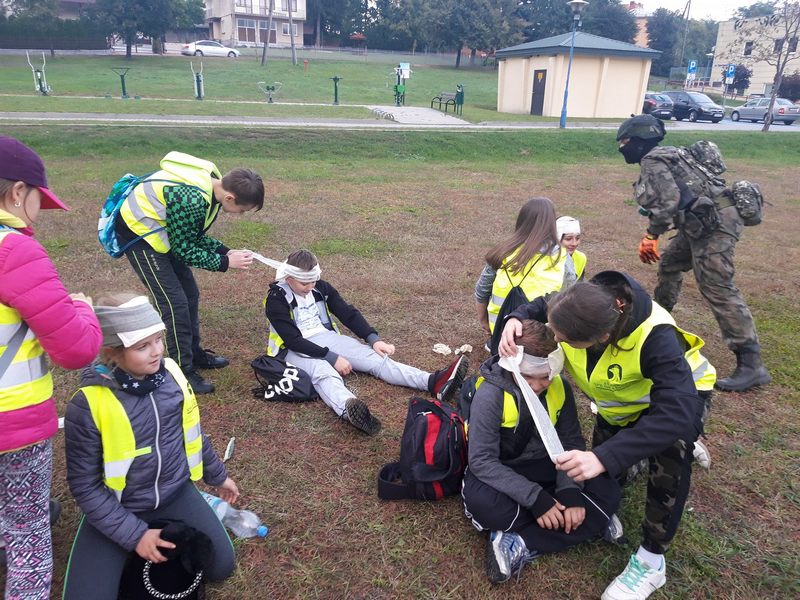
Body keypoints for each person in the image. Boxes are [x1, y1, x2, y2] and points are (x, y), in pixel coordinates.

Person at [500, 271, 716, 600]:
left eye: (563, 338)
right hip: (622, 407)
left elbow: (676, 413)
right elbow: (545, 304)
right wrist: (516, 317)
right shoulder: (581, 301)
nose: (555, 338)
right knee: (605, 480)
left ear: (601, 337)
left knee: (672, 448)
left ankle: (651, 561)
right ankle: (641, 450)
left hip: (680, 403)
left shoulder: (657, 338)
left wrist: (604, 455)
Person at [62, 294, 239, 600]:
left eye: (158, 339)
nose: (157, 351)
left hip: (174, 492)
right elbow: (84, 485)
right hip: (120, 505)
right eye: (142, 346)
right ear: (112, 351)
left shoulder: (172, 376)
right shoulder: (88, 404)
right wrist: (135, 535)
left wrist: (218, 476)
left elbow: (193, 434)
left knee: (220, 565)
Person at [0, 136, 103, 600]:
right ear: (17, 192)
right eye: (37, 202)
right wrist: (83, 309)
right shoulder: (13, 251)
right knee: (28, 537)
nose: (37, 215)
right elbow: (76, 350)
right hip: (12, 427)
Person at [616, 114, 769, 392]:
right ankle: (658, 321)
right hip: (700, 223)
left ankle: (751, 363)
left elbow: (669, 201)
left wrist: (651, 236)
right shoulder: (672, 153)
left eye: (624, 141)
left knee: (717, 287)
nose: (621, 147)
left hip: (716, 224)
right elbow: (682, 196)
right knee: (670, 265)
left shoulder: (652, 160)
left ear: (639, 141)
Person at [462, 320, 621, 584]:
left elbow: (571, 442)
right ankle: (588, 520)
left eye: (546, 376)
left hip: (549, 465)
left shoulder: (560, 387)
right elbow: (482, 461)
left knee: (609, 486)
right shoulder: (491, 394)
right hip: (505, 471)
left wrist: (569, 490)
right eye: (527, 377)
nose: (537, 385)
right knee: (486, 506)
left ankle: (522, 539)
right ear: (511, 366)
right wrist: (536, 499)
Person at [264, 250, 468, 436]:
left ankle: (432, 382)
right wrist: (331, 358)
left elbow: (347, 313)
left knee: (373, 358)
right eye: (304, 284)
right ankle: (349, 409)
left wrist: (373, 339)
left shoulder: (320, 287)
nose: (310, 287)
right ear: (288, 278)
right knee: (323, 373)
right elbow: (293, 340)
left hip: (325, 338)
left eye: (313, 281)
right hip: (290, 350)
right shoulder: (276, 298)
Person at [113, 151, 265, 394]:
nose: (241, 214)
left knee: (190, 294)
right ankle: (181, 370)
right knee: (174, 304)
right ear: (230, 197)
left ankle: (194, 354)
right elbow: (184, 249)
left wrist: (225, 251)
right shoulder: (191, 200)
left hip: (163, 232)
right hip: (139, 236)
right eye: (243, 210)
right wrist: (225, 262)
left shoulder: (213, 186)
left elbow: (191, 234)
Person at [474, 198, 574, 354]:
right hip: (540, 339)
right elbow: (570, 300)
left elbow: (482, 290)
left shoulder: (502, 252)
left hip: (500, 329)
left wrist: (484, 321)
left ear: (521, 221)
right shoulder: (562, 258)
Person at [556, 215, 586, 280]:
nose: (574, 243)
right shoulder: (546, 259)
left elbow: (579, 283)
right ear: (556, 238)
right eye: (568, 239)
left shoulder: (581, 258)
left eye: (577, 238)